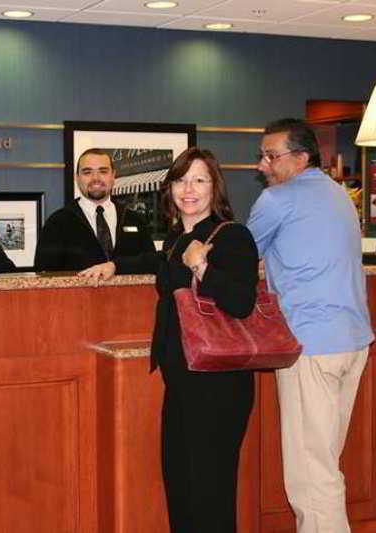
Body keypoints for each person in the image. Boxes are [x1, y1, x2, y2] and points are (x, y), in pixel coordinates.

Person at [80, 147, 259, 532]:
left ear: (216, 188)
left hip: (219, 385)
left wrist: (202, 265)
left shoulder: (232, 236)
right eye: (180, 180)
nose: (188, 189)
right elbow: (158, 265)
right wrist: (115, 264)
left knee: (210, 493)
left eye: (199, 180)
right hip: (182, 379)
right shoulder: (180, 236)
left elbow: (243, 302)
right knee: (180, 485)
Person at [246, 118, 374, 533]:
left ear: (301, 158)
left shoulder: (277, 200)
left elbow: (237, 255)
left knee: (311, 470)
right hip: (352, 342)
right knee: (323, 460)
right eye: (261, 155)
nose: (262, 165)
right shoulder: (339, 194)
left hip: (311, 345)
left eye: (271, 156)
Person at [33, 148, 155, 271]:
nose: (95, 178)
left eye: (103, 171)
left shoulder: (134, 220)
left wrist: (119, 266)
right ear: (77, 178)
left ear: (113, 176)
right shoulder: (58, 223)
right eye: (87, 172)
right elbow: (43, 276)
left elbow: (152, 264)